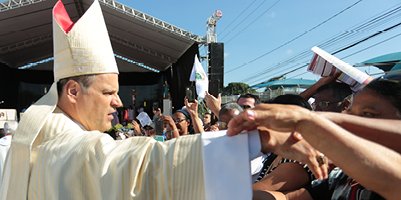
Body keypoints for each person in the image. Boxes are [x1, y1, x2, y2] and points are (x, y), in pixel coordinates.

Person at [0, 1, 269, 199]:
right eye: (108, 93)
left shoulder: (37, 138)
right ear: (72, 91)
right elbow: (144, 165)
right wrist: (256, 139)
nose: (118, 103)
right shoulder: (69, 146)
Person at [226, 100, 401, 199]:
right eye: (350, 114)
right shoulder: (340, 178)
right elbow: (284, 198)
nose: (351, 122)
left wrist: (305, 121)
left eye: (368, 115)